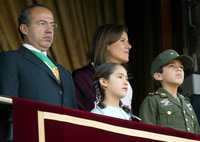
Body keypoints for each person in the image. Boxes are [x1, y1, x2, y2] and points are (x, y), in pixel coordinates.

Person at [0, 4, 77, 108]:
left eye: (52, 25)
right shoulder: (11, 60)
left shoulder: (65, 73)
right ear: (24, 29)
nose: (49, 30)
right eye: (42, 23)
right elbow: (7, 107)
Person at [72, 24, 133, 111]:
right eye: (122, 40)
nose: (129, 46)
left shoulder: (126, 84)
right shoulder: (83, 77)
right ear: (106, 44)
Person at [139, 49, 200, 133]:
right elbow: (146, 135)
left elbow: (197, 133)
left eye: (181, 67)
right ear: (158, 76)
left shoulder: (187, 103)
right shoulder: (152, 101)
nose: (179, 69)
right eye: (172, 66)